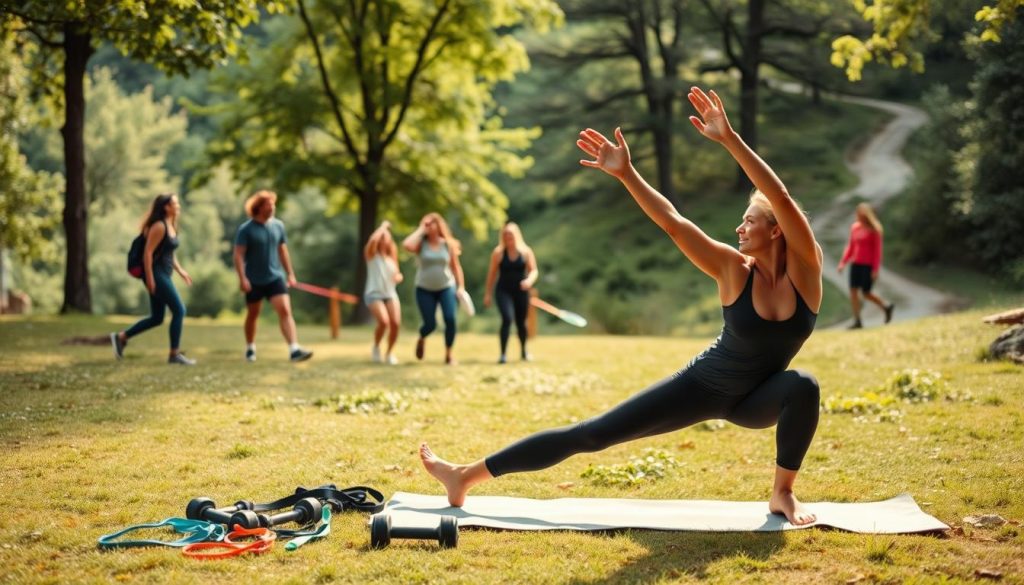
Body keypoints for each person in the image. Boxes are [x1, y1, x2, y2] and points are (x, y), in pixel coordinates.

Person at [420, 87, 823, 526]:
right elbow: (674, 224)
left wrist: (729, 140)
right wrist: (628, 174)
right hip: (703, 386)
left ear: (777, 231)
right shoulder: (733, 269)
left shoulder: (806, 269)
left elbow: (780, 198)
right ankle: (464, 476)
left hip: (758, 400)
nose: (739, 227)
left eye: (749, 220)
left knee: (803, 384)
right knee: (592, 434)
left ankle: (782, 493)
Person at [110, 193, 195, 365]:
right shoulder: (159, 226)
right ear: (166, 207)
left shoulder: (171, 225)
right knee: (179, 310)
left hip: (164, 273)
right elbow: (147, 254)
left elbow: (169, 253)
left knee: (157, 317)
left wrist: (180, 271)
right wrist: (150, 279)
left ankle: (121, 337)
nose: (178, 206)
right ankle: (174, 354)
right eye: (175, 204)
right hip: (156, 274)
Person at [233, 190, 313, 363]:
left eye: (273, 204)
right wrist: (242, 278)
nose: (272, 207)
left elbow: (282, 251)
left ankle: (294, 349)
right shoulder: (246, 229)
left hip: (275, 277)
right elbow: (238, 255)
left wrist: (290, 273)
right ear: (259, 207)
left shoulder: (278, 226)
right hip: (253, 279)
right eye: (268, 204)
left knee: (285, 310)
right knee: (253, 314)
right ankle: (250, 347)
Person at [402, 213, 466, 365]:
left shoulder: (447, 244)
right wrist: (420, 230)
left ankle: (449, 355)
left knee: (450, 319)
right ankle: (422, 338)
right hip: (424, 289)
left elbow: (456, 267)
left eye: (431, 223)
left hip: (446, 287)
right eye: (426, 224)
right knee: (430, 324)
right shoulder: (420, 244)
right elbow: (406, 245)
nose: (429, 226)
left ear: (439, 225)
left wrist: (461, 287)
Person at [483, 222, 539, 364]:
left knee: (521, 322)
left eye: (511, 235)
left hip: (521, 291)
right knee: (507, 319)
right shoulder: (498, 253)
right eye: (505, 235)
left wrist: (529, 281)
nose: (508, 237)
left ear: (516, 235)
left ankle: (524, 351)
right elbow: (492, 274)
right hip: (503, 291)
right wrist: (488, 294)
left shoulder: (526, 252)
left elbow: (534, 270)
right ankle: (503, 355)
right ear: (503, 237)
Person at [837, 203, 894, 329]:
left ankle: (886, 306)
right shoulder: (855, 227)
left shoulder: (875, 229)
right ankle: (857, 321)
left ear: (867, 215)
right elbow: (851, 247)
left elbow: (877, 252)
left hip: (867, 266)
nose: (860, 216)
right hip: (855, 264)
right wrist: (843, 262)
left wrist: (875, 269)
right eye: (858, 214)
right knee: (853, 292)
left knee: (866, 293)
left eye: (862, 214)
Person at [364, 220, 404, 364]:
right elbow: (373, 240)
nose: (383, 238)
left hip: (390, 293)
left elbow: (397, 273)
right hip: (373, 293)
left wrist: (398, 277)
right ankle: (376, 346)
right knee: (384, 322)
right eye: (382, 236)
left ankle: (389, 353)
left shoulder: (391, 257)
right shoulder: (371, 255)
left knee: (395, 323)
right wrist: (383, 227)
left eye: (386, 236)